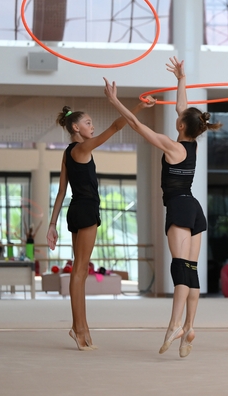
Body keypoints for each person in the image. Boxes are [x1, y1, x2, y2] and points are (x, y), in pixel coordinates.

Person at [103, 56, 220, 358]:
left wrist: (116, 101)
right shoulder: (191, 143)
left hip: (180, 208)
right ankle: (190, 326)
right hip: (194, 209)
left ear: (180, 125)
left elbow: (136, 125)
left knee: (180, 269)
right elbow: (184, 109)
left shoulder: (173, 145)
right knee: (191, 270)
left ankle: (174, 325)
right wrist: (182, 79)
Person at [47, 99, 152, 351]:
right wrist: (136, 108)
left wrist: (52, 224)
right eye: (88, 122)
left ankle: (81, 327)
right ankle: (78, 328)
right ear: (75, 127)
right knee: (80, 271)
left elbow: (61, 191)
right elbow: (116, 127)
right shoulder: (82, 149)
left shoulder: (67, 152)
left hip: (76, 210)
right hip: (86, 210)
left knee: (79, 272)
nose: (92, 127)